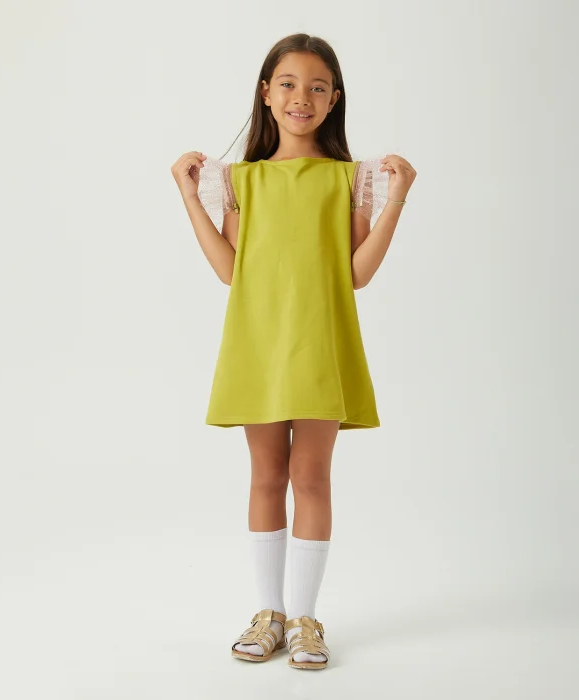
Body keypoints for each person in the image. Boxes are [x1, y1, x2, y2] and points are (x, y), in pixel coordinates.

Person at [170, 32, 416, 670]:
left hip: (319, 342)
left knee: (310, 476)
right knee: (265, 476)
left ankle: (305, 619)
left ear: (334, 100)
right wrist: (190, 197)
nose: (301, 97)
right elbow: (230, 269)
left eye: (316, 87)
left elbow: (357, 273)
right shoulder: (242, 181)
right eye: (288, 83)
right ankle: (269, 614)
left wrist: (396, 199)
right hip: (258, 341)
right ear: (265, 93)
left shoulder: (349, 180)